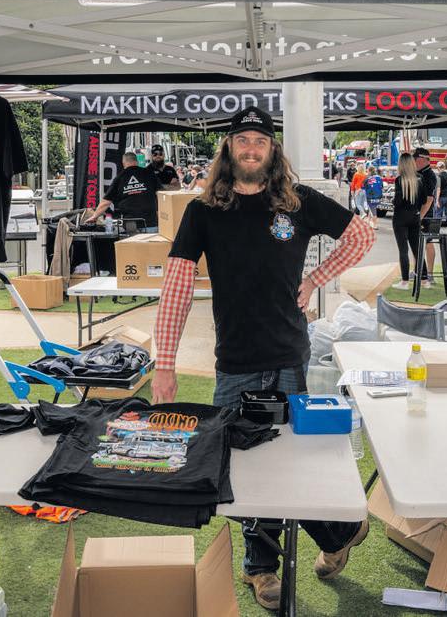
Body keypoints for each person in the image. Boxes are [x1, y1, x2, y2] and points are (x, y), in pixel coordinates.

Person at [151, 105, 376, 611]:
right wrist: (164, 363)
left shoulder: (297, 202)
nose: (251, 149)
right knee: (242, 467)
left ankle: (324, 539)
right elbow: (177, 288)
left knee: (293, 463)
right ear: (228, 149)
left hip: (289, 357)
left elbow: (361, 234)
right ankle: (274, 562)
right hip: (235, 362)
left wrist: (316, 279)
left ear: (272, 150)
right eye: (242, 140)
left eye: (260, 141)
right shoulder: (203, 212)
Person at [85, 151, 160, 230]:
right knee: (152, 238)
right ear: (136, 161)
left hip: (131, 224)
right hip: (151, 222)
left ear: (123, 163)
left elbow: (106, 202)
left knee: (133, 238)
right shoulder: (149, 174)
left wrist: (94, 216)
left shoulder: (120, 177)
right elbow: (160, 194)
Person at [391, 153, 429, 289]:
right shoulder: (420, 178)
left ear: (401, 165)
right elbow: (424, 200)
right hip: (415, 217)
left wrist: (393, 200)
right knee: (417, 250)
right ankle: (424, 280)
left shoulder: (399, 180)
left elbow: (398, 201)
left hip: (400, 218)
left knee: (403, 250)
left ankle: (405, 282)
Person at [413, 148, 438, 282]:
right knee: (415, 242)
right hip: (418, 213)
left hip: (426, 215)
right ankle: (417, 271)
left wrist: (420, 217)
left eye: (415, 159)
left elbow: (429, 200)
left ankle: (430, 274)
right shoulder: (419, 173)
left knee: (428, 242)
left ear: (422, 159)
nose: (413, 162)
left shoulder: (429, 175)